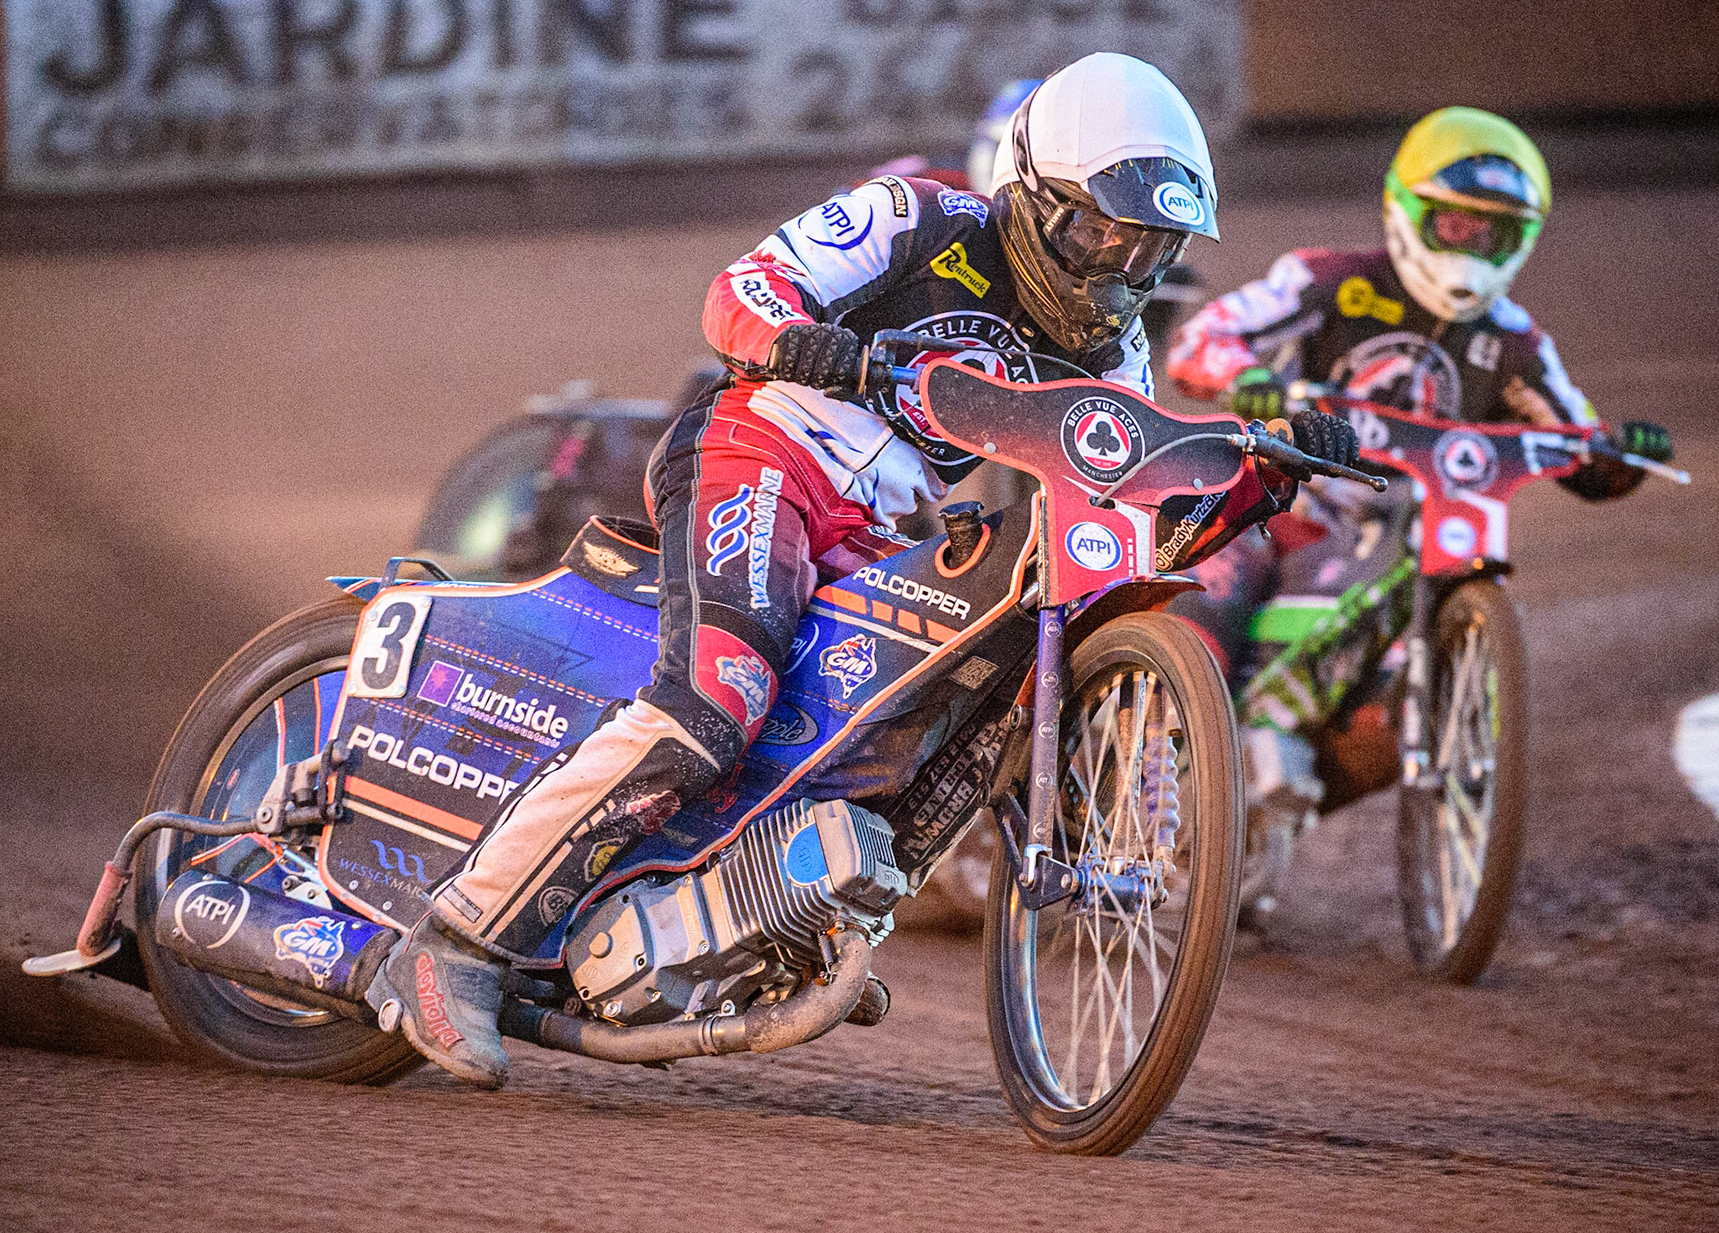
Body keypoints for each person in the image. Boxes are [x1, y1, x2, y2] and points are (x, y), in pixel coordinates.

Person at [367, 52, 1353, 1087]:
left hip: (880, 524)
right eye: (1097, 229)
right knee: (720, 693)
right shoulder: (915, 219)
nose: (1116, 264)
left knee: (941, 706)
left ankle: (765, 907)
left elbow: (1133, 505)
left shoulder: (1114, 350)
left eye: (1148, 246)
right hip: (762, 454)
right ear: (1032, 190)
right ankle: (451, 946)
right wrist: (827, 351)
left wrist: (1256, 475)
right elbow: (737, 295)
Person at [1162, 106, 1674, 812]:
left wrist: (1619, 453)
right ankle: (1147, 766)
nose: (1469, 244)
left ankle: (1260, 816)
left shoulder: (1517, 343)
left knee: (1400, 708)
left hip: (1412, 546)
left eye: (1490, 230)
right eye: (1454, 223)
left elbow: (1579, 442)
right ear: (1409, 210)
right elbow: (1203, 339)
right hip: (1286, 512)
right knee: (1205, 589)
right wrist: (1246, 378)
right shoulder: (1331, 280)